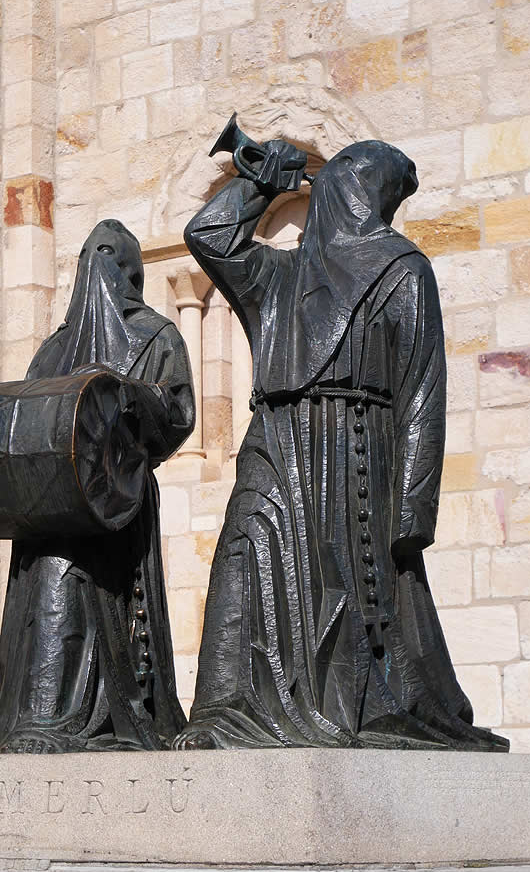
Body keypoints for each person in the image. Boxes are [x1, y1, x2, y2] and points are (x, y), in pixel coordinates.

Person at [175, 140, 508, 752]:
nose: (331, 180)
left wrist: (412, 505)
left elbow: (421, 391)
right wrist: (261, 183)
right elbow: (208, 235)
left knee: (348, 589)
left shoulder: (404, 269)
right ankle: (230, 714)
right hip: (275, 438)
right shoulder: (280, 274)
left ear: (367, 186)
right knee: (245, 561)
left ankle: (351, 711)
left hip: (359, 450)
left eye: (349, 169)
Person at [0, 220, 194, 754]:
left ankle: (68, 721)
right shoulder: (55, 347)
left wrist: (125, 401)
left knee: (88, 591)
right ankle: (38, 717)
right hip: (49, 505)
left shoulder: (155, 334)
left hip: (113, 502)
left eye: (110, 261)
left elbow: (179, 415)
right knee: (50, 590)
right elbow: (26, 417)